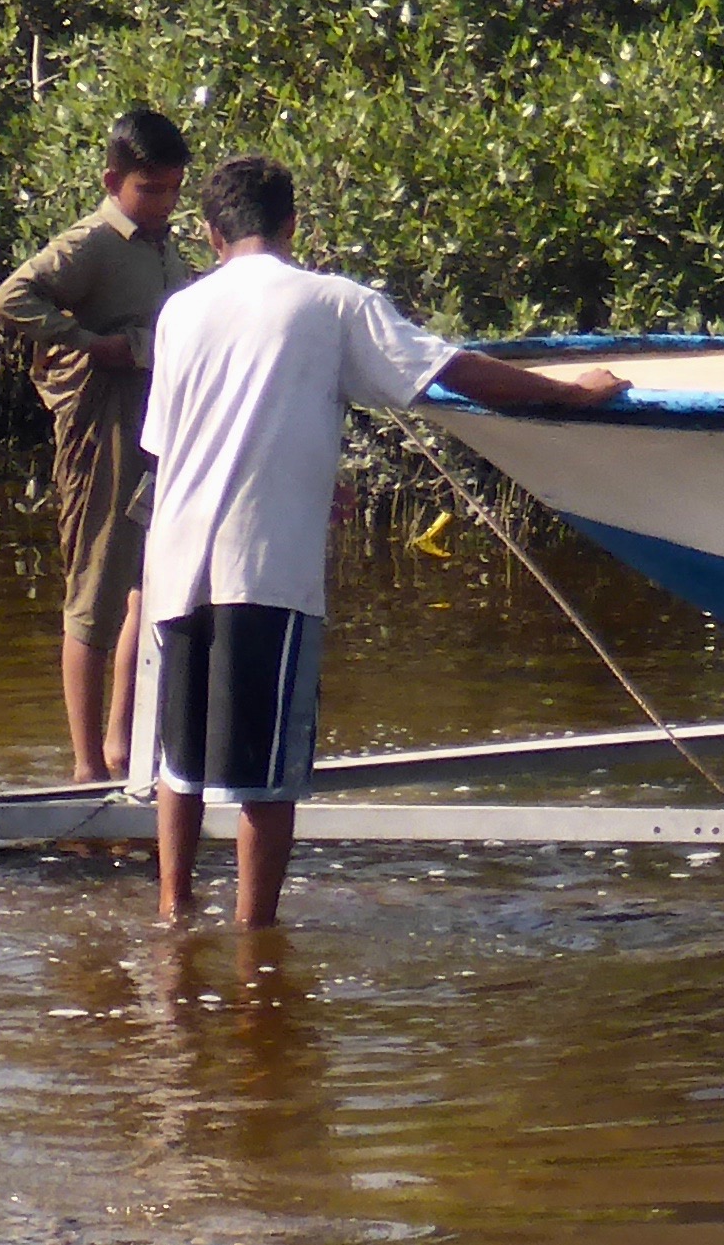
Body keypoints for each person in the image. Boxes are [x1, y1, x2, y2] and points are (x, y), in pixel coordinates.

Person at [138, 153, 629, 928]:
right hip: (261, 566)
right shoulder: (332, 300)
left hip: (175, 563)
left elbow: (180, 440)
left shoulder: (180, 311)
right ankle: (253, 941)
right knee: (267, 778)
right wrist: (570, 394)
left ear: (209, 234)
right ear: (294, 225)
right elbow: (447, 371)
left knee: (181, 762)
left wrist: (312, 475)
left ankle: (172, 917)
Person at [0, 106, 192, 784]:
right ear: (114, 180)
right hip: (103, 426)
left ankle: (121, 750)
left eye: (172, 188)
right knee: (95, 588)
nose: (163, 202)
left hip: (155, 425)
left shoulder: (164, 245)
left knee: (148, 586)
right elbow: (10, 298)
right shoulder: (94, 242)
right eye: (150, 190)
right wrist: (88, 344)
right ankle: (85, 770)